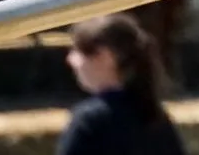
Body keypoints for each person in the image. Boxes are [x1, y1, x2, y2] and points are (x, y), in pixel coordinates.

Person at [58, 13, 187, 155]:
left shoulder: (91, 120)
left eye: (78, 52)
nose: (70, 60)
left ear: (105, 56)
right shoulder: (156, 117)